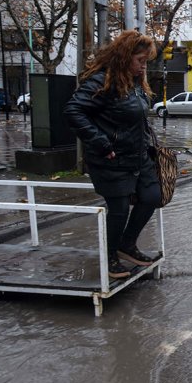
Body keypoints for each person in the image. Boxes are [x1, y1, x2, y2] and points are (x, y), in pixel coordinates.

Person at [64, 30, 162, 279]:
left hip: (138, 157)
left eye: (145, 61)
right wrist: (101, 143)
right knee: (118, 210)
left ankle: (126, 245)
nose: (143, 66)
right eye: (140, 60)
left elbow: (137, 120)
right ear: (124, 57)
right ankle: (109, 259)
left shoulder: (136, 84)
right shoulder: (102, 81)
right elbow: (74, 111)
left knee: (152, 196)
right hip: (110, 159)